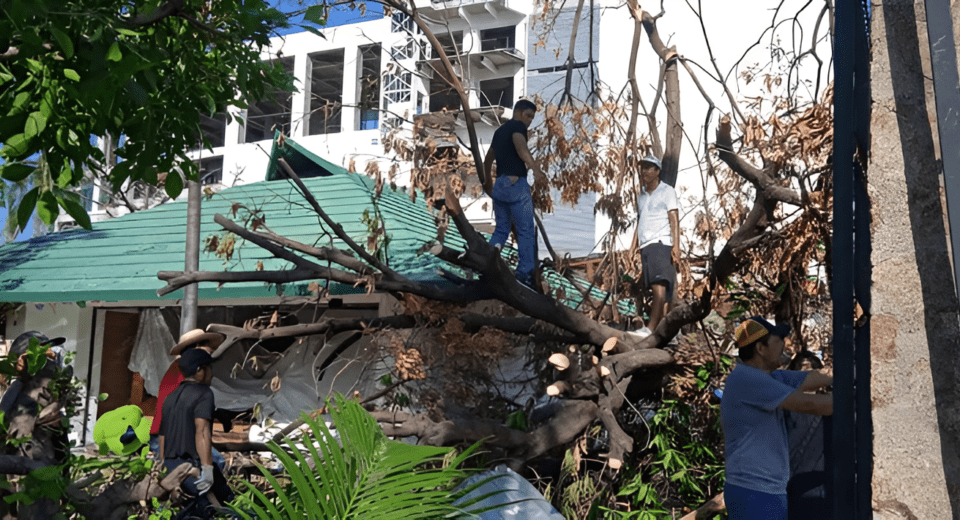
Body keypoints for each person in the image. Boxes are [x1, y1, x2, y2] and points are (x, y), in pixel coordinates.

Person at [721, 316, 833, 520]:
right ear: (760, 349)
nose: (784, 343)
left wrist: (849, 376)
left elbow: (813, 378)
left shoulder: (771, 377)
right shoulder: (747, 379)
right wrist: (863, 399)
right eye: (778, 339)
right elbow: (811, 404)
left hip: (766, 490)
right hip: (754, 492)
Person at [159, 348, 234, 515]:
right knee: (228, 507)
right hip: (194, 468)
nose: (212, 374)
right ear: (200, 370)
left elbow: (162, 435)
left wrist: (163, 467)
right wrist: (207, 470)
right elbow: (202, 432)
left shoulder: (170, 397)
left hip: (173, 468)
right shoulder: (204, 393)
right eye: (209, 369)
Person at [483, 99, 548, 288]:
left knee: (501, 230)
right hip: (515, 183)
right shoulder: (517, 126)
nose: (529, 121)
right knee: (525, 231)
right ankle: (524, 275)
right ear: (518, 113)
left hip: (500, 185)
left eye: (532, 118)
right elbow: (521, 147)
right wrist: (536, 169)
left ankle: (487, 264)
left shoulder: (499, 131)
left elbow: (488, 160)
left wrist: (488, 182)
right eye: (528, 116)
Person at [149, 328, 227, 470]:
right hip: (171, 437)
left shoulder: (181, 370)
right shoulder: (184, 371)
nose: (209, 348)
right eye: (204, 343)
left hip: (170, 435)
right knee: (214, 464)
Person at [635, 155, 680, 334]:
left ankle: (650, 329)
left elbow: (674, 218)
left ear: (657, 171)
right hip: (645, 245)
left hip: (660, 243)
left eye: (649, 167)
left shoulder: (667, 191)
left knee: (659, 289)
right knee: (660, 291)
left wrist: (676, 246)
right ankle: (665, 332)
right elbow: (640, 221)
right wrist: (634, 247)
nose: (644, 171)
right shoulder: (641, 196)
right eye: (643, 167)